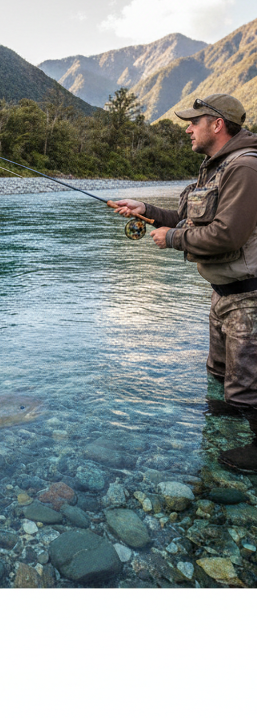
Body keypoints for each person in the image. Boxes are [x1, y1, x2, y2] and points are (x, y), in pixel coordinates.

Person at [113, 93, 257, 473]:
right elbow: (184, 216)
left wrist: (172, 239)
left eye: (194, 122)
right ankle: (232, 420)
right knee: (222, 376)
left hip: (249, 297)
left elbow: (227, 235)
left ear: (218, 124)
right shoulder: (214, 168)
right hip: (223, 295)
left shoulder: (245, 168)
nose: (189, 129)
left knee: (249, 386)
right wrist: (145, 210)